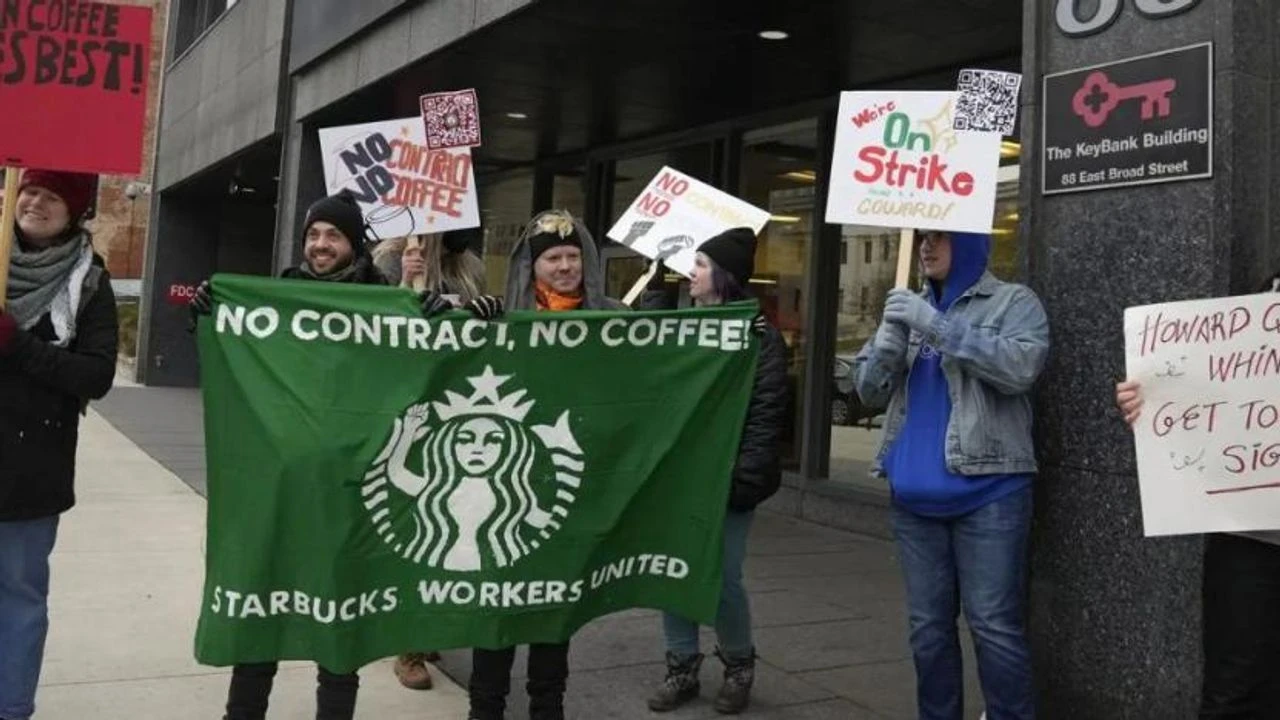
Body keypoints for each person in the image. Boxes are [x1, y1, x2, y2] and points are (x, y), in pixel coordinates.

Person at [191, 190, 441, 720]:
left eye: (334, 235)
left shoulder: (389, 303)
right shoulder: (275, 297)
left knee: (340, 623)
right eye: (314, 235)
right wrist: (209, 314)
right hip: (279, 489)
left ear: (355, 244)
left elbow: (433, 364)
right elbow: (232, 357)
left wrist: (447, 314)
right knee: (262, 606)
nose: (321, 244)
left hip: (354, 490)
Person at [853, 230, 1049, 720]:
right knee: (927, 630)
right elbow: (869, 395)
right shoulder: (904, 305)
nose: (925, 246)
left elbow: (1021, 368)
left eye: (940, 237)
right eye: (921, 238)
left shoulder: (1012, 302)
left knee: (993, 626)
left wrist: (937, 326)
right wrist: (885, 349)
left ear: (970, 244)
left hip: (990, 495)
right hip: (913, 505)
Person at [460, 209, 625, 720]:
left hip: (571, 491)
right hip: (504, 495)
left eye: (574, 256)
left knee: (555, 612)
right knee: (496, 614)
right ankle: (485, 709)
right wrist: (468, 320)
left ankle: (546, 709)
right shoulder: (498, 318)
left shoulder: (615, 319)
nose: (565, 266)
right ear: (531, 267)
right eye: (553, 257)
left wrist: (736, 326)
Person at [1115, 269, 1280, 720]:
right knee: (1234, 691)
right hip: (1252, 533)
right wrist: (1150, 406)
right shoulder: (1262, 299)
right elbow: (1216, 396)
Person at [640, 228, 788, 715]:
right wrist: (657, 290)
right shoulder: (683, 323)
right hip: (678, 474)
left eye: (700, 264)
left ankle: (739, 665)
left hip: (728, 477)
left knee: (723, 575)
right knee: (672, 569)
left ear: (722, 276)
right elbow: (641, 355)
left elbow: (766, 413)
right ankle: (680, 668)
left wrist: (745, 479)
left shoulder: (759, 338)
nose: (691, 273)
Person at [0, 169, 118, 720]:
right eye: (29, 191)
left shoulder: (89, 281)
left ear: (74, 212)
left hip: (31, 473)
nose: (36, 202)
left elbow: (94, 376)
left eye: (52, 196)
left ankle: (12, 707)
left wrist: (15, 345)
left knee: (19, 600)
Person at [370, 231, 487, 690]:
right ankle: (408, 645)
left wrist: (481, 310)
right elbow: (373, 327)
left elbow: (478, 328)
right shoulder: (390, 258)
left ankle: (422, 627)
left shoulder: (470, 265)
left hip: (453, 404)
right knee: (415, 526)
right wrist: (405, 286)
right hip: (405, 405)